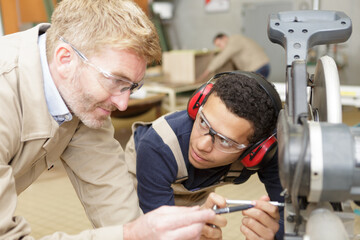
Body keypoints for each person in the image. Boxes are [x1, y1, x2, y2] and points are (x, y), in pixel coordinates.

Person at [0, 0, 217, 239]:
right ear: (65, 59)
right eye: (116, 81)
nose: (123, 104)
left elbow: (113, 201)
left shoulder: (80, 100)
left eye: (131, 87)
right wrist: (131, 234)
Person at [125, 71, 284, 239]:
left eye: (224, 141)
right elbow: (159, 232)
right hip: (145, 171)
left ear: (255, 151)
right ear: (197, 106)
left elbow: (288, 214)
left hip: (195, 188)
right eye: (202, 121)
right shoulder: (158, 146)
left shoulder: (266, 154)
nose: (201, 146)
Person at [198, 33, 271, 82]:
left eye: (219, 44)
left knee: (252, 91)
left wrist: (206, 73)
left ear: (224, 37)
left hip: (258, 68)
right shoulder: (236, 40)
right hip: (262, 66)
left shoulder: (234, 41)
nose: (220, 48)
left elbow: (222, 57)